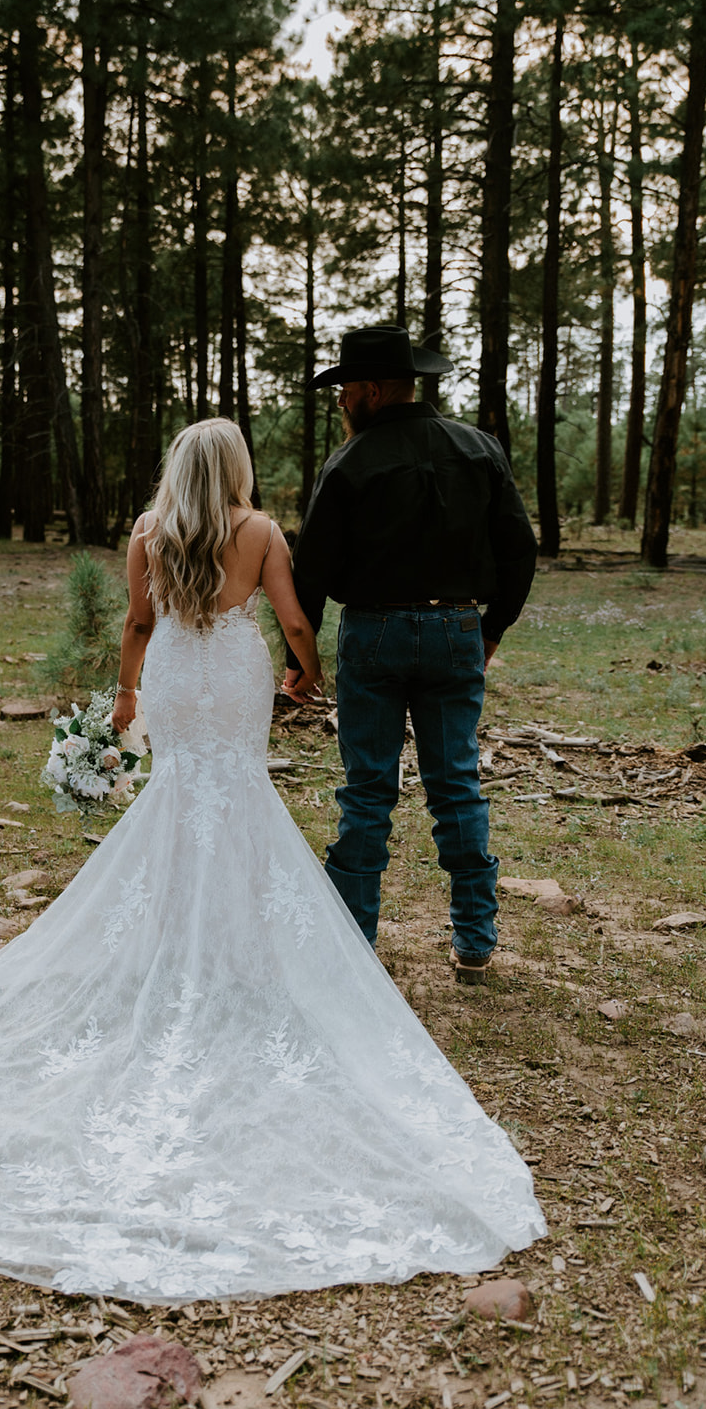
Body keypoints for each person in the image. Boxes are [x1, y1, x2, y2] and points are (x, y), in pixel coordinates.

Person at [0, 418, 544, 1304]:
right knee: (237, 802)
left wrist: (123, 700)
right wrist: (303, 671)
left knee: (177, 800)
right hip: (230, 673)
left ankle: (168, 948)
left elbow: (138, 623)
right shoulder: (260, 532)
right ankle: (234, 956)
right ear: (233, 468)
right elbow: (296, 615)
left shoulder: (148, 534)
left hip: (177, 679)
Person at [284, 326, 538, 981]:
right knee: (455, 781)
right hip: (456, 627)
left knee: (367, 789)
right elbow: (517, 548)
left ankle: (351, 946)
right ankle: (474, 942)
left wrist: (299, 658)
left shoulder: (348, 464)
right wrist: (491, 630)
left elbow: (309, 571)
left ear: (369, 390)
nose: (340, 401)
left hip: (371, 634)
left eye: (344, 389)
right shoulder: (479, 448)